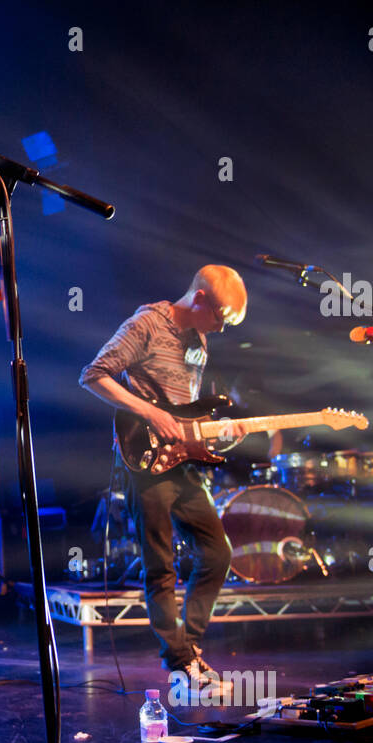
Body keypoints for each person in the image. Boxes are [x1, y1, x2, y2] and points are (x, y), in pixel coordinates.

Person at [79, 265, 248, 699]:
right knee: (161, 567)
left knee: (217, 552)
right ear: (201, 300)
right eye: (221, 318)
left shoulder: (200, 342)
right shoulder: (147, 324)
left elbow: (188, 411)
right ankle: (179, 667)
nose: (222, 329)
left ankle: (188, 650)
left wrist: (219, 434)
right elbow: (93, 375)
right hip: (145, 457)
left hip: (183, 462)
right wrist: (150, 413)